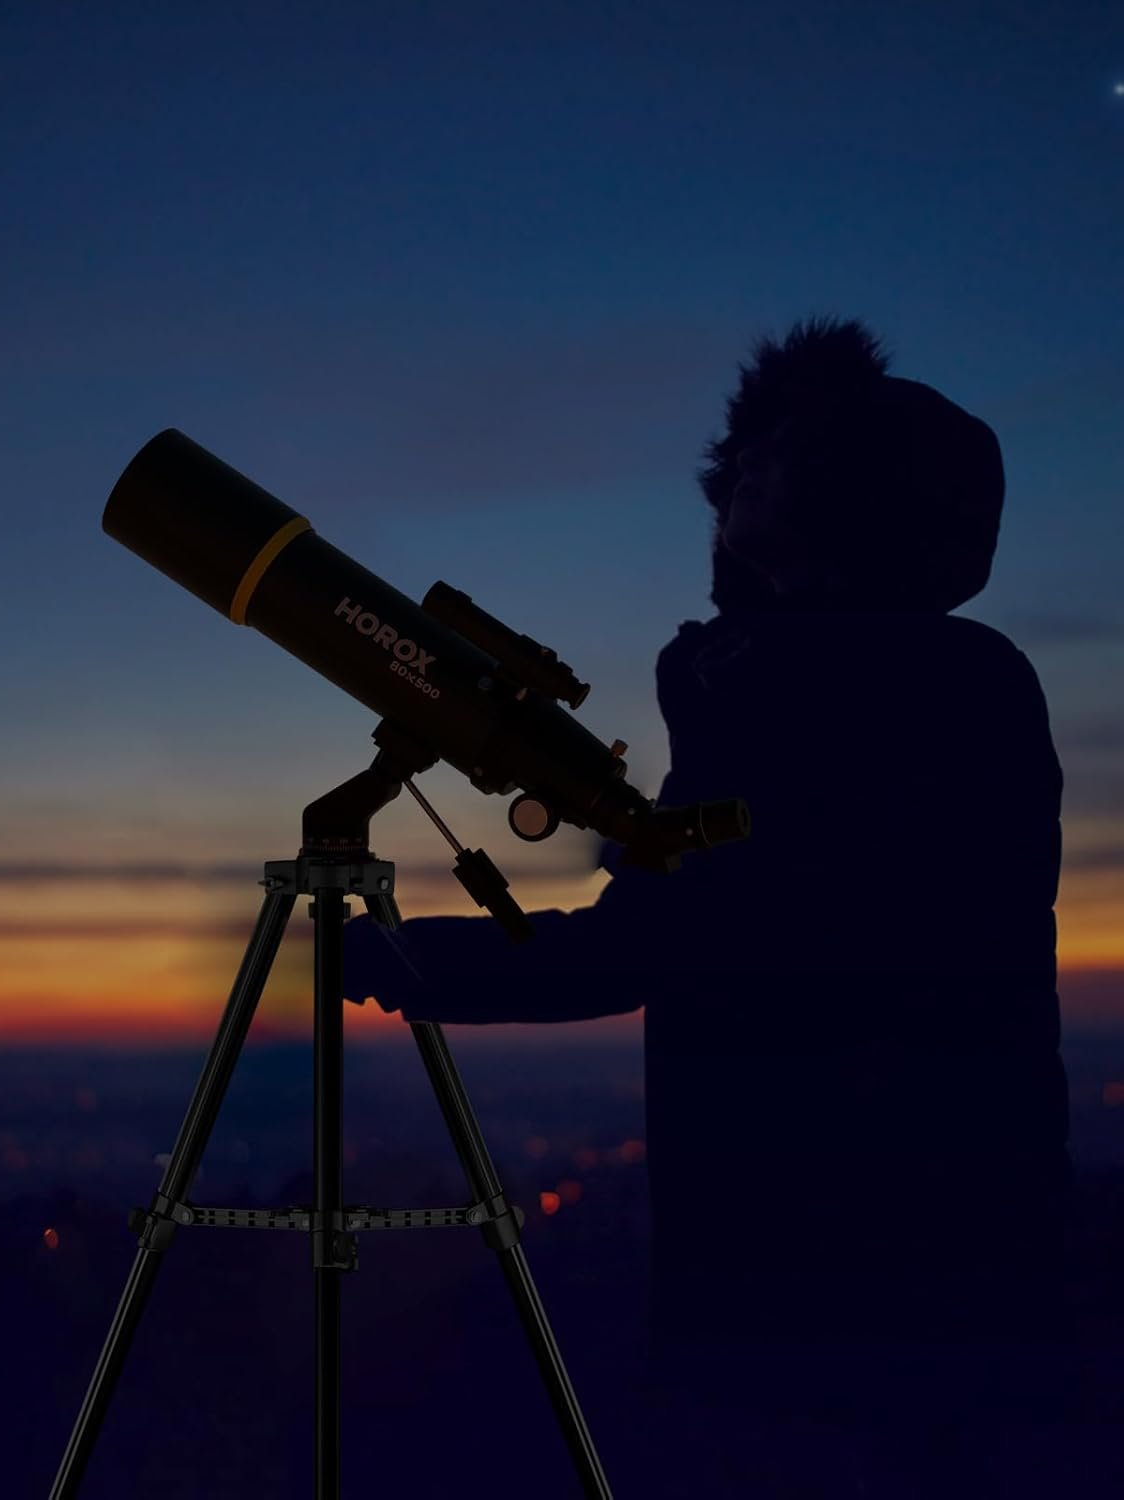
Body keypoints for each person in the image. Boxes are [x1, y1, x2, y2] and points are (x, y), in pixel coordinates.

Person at [342, 316, 1075, 1479]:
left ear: (843, 498)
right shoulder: (977, 677)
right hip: (969, 1240)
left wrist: (402, 960)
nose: (735, 478)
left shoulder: (795, 686)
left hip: (804, 1264)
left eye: (768, 457)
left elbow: (649, 946)